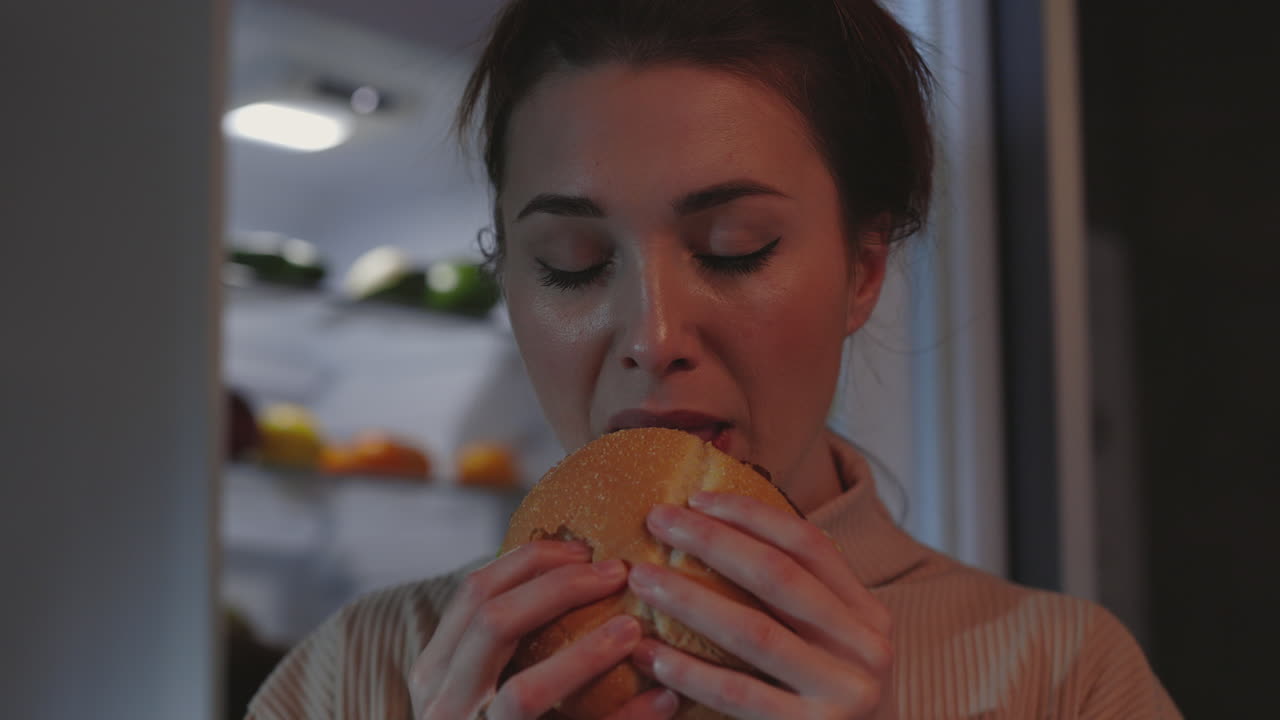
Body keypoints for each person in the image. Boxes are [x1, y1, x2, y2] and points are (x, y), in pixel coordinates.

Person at [247, 1, 1180, 718]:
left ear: (862, 270)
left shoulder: (1062, 678)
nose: (654, 338)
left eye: (736, 249)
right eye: (573, 262)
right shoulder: (355, 676)